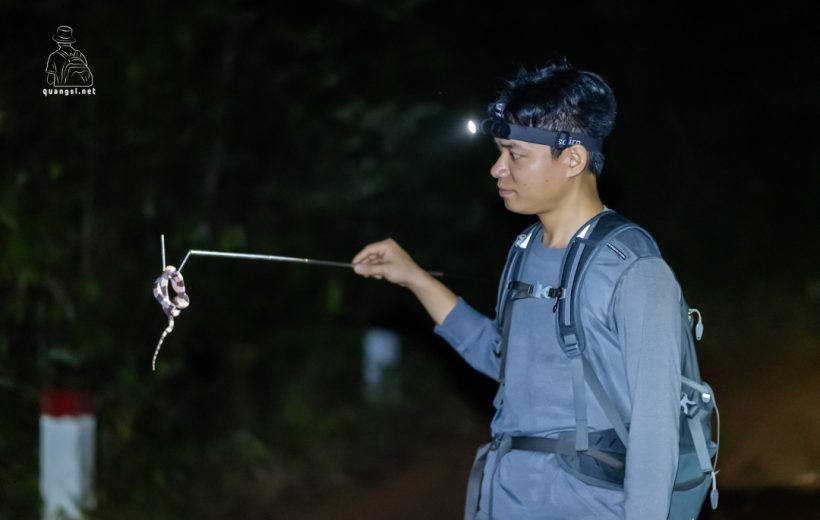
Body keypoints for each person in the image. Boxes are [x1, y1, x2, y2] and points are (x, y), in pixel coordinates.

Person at [352, 61, 682, 519]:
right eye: (498, 152)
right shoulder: (525, 250)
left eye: (514, 155)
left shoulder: (635, 270)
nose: (497, 169)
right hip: (507, 497)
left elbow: (656, 427)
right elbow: (503, 359)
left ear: (572, 159)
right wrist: (415, 278)